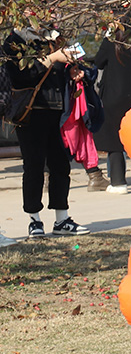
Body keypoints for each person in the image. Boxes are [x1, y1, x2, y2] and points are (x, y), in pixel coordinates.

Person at [3, 27, 90, 237]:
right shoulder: (15, 41)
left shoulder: (56, 38)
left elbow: (84, 65)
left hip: (57, 111)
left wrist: (74, 72)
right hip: (31, 112)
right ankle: (34, 220)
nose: (50, 16)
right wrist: (52, 58)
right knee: (33, 166)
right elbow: (21, 75)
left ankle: (62, 219)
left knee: (60, 165)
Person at [93, 15, 131, 194]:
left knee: (114, 139)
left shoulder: (111, 44)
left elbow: (98, 62)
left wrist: (108, 36)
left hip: (113, 97)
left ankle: (118, 182)